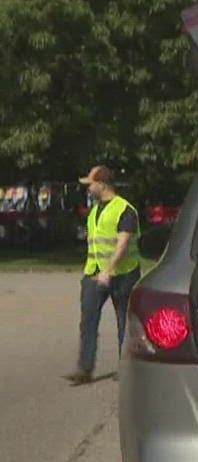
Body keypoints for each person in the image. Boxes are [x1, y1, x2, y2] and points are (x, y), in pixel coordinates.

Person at [64, 165, 142, 385]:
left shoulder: (125, 210)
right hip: (94, 273)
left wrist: (108, 270)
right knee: (88, 321)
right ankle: (84, 369)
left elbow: (123, 244)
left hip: (123, 274)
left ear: (102, 184)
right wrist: (95, 271)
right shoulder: (96, 210)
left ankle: (126, 368)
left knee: (124, 323)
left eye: (91, 184)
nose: (88, 188)